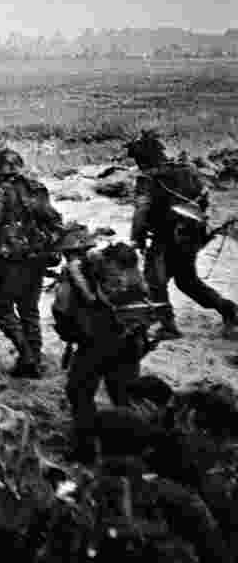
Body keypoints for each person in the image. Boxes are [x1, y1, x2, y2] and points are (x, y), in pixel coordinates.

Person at [53, 225, 157, 460]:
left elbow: (62, 309)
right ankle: (141, 446)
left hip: (95, 343)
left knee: (79, 391)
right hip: (131, 336)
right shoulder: (123, 265)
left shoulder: (76, 273)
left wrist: (72, 335)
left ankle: (86, 448)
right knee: (125, 394)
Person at [127, 129, 238, 338]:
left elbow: (141, 211)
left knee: (154, 281)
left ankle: (167, 326)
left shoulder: (147, 179)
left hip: (164, 237)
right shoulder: (186, 170)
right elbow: (204, 199)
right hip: (190, 235)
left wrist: (136, 239)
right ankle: (228, 309)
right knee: (187, 281)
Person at [0, 148, 63, 378]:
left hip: (13, 260)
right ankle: (35, 359)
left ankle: (27, 357)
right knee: (30, 310)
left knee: (3, 311)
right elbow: (54, 219)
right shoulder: (36, 188)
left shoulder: (3, 191)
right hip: (37, 257)